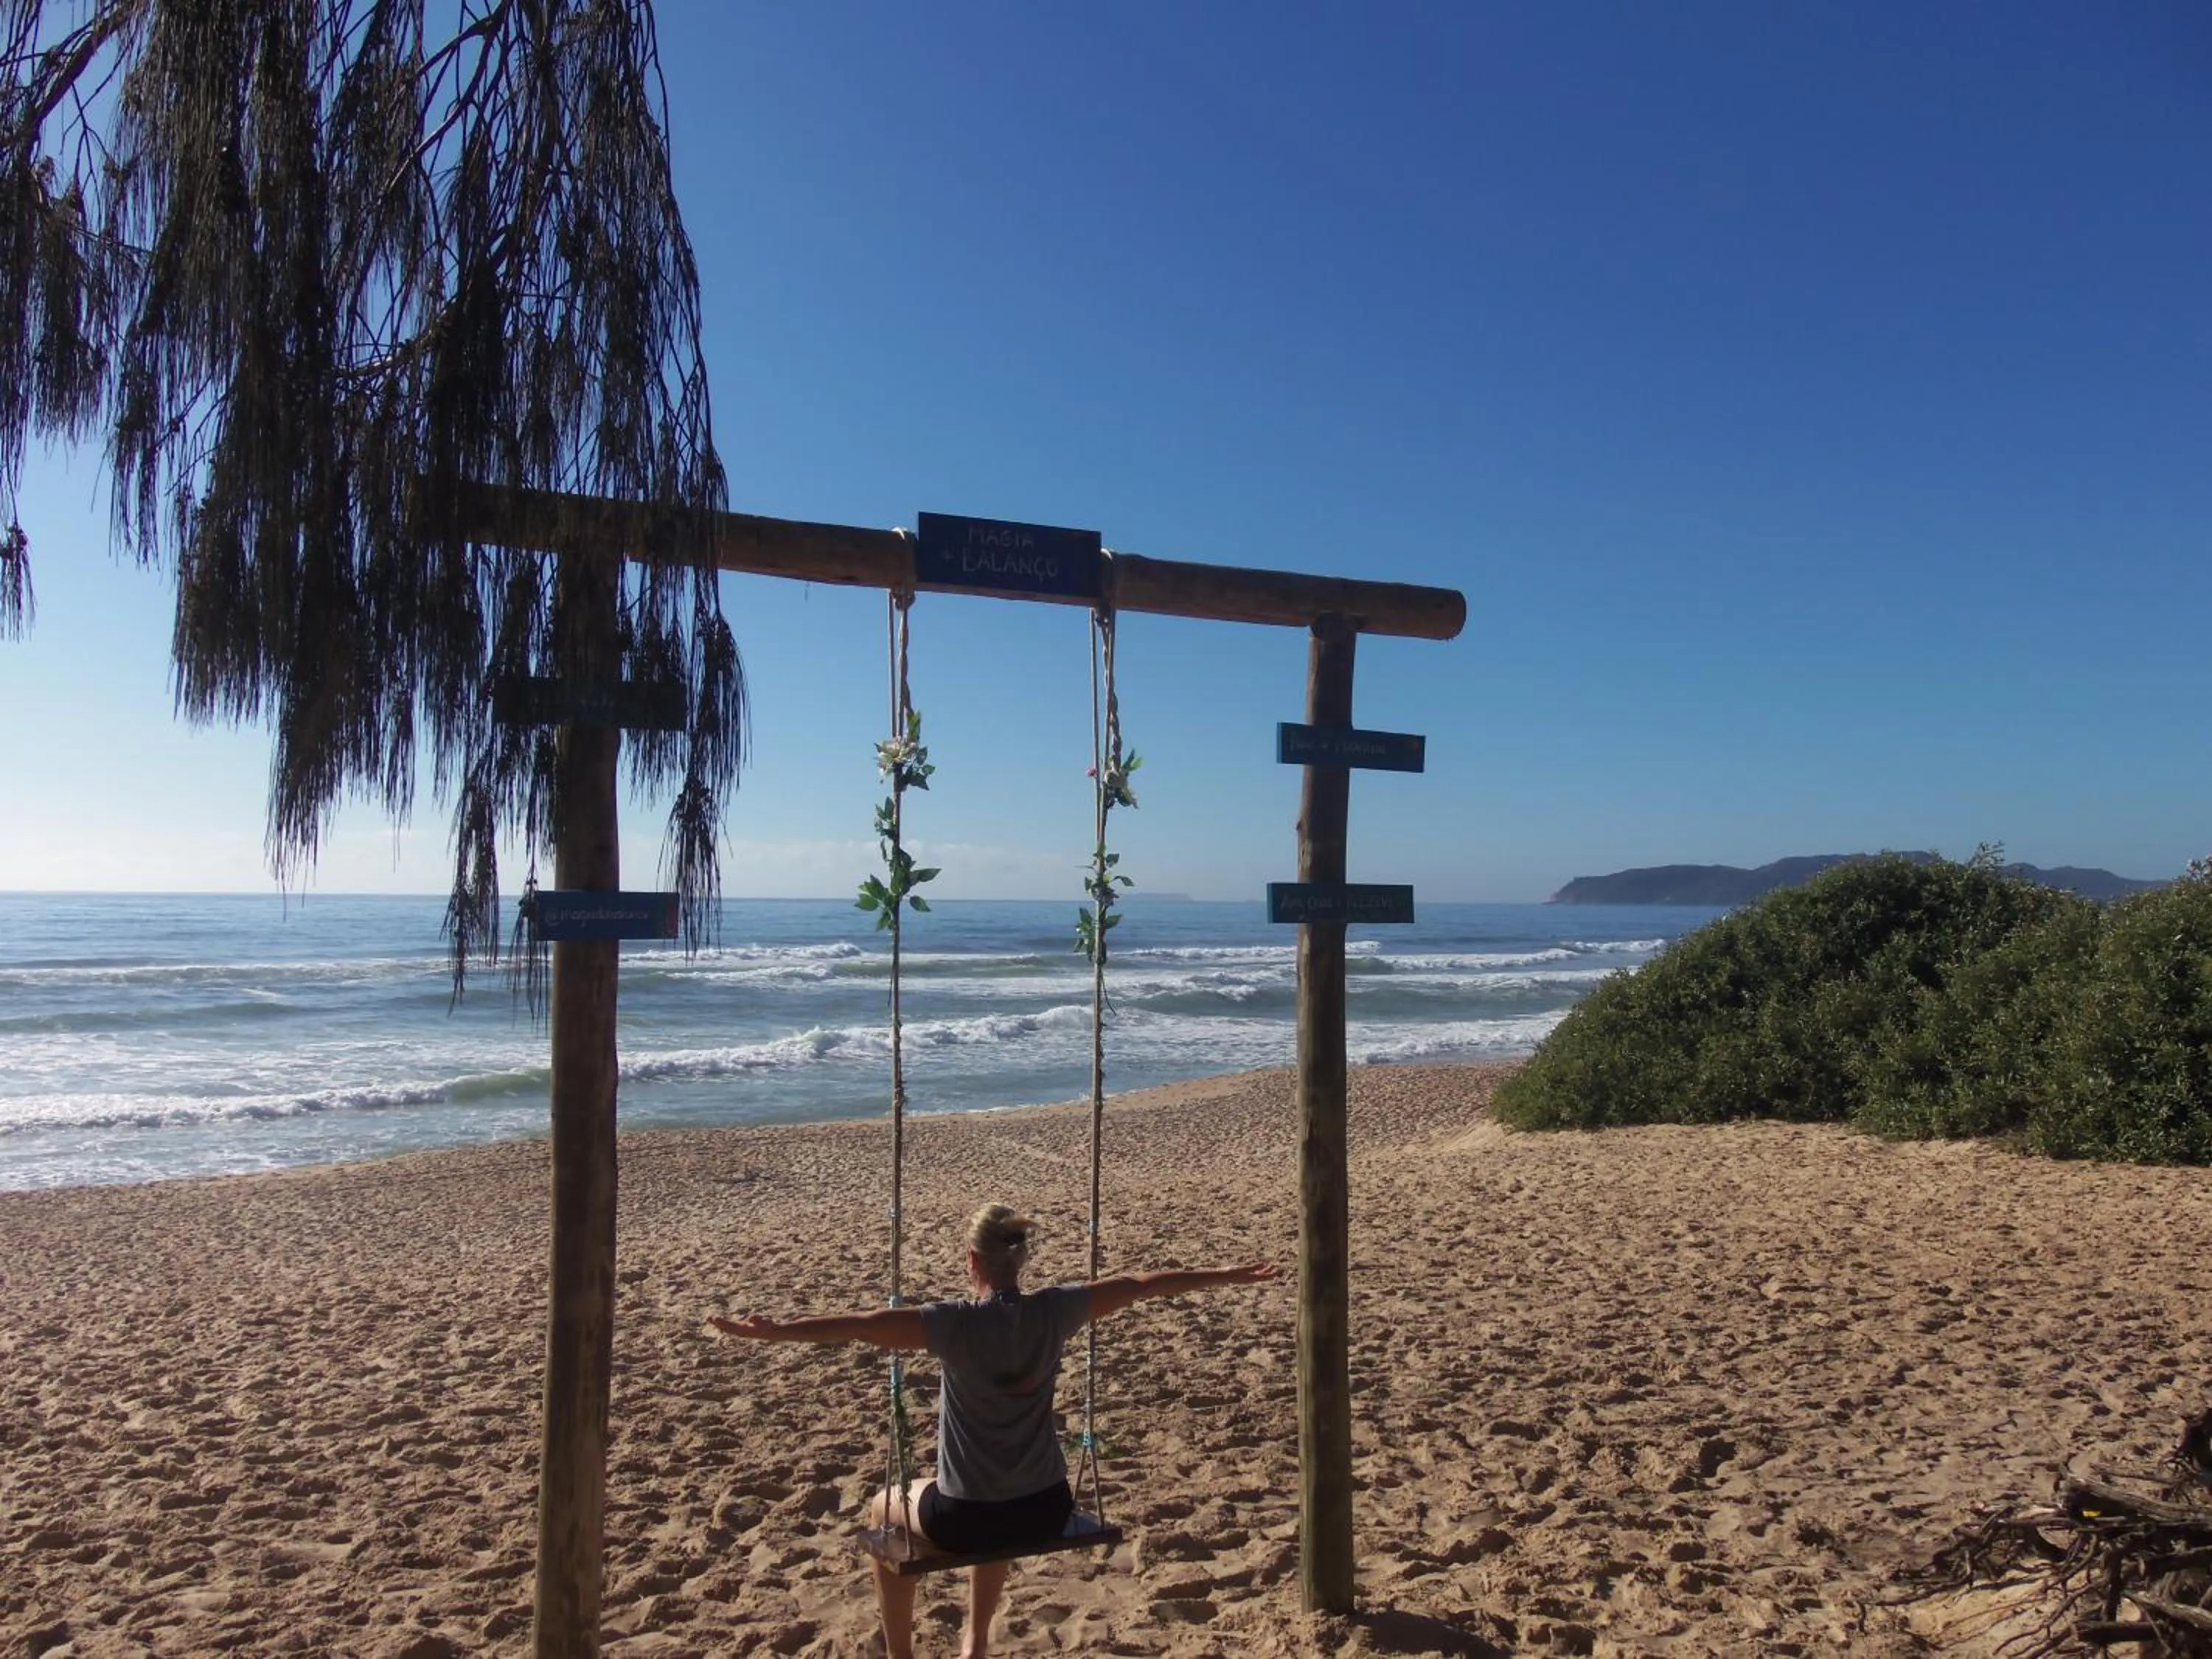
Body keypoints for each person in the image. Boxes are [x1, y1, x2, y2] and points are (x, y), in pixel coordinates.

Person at [709, 1203, 1279, 1659]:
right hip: (1045, 1508)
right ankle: (976, 1641)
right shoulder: (1057, 1310)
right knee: (997, 1497)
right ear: (1020, 1260)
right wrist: (1229, 1275)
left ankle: (901, 1654)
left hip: (967, 1520)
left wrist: (777, 1331)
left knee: (885, 1507)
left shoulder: (952, 1325)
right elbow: (1144, 1284)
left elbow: (861, 1326)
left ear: (971, 1261)